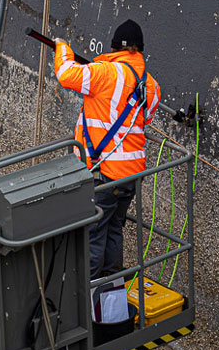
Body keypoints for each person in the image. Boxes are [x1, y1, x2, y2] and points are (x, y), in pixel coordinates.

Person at [53, 18, 161, 279]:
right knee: (114, 229)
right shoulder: (151, 85)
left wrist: (62, 47)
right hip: (131, 175)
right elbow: (144, 118)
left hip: (105, 174)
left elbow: (66, 74)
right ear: (140, 50)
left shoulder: (105, 72)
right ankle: (110, 293)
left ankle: (88, 298)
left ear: (115, 49)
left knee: (92, 235)